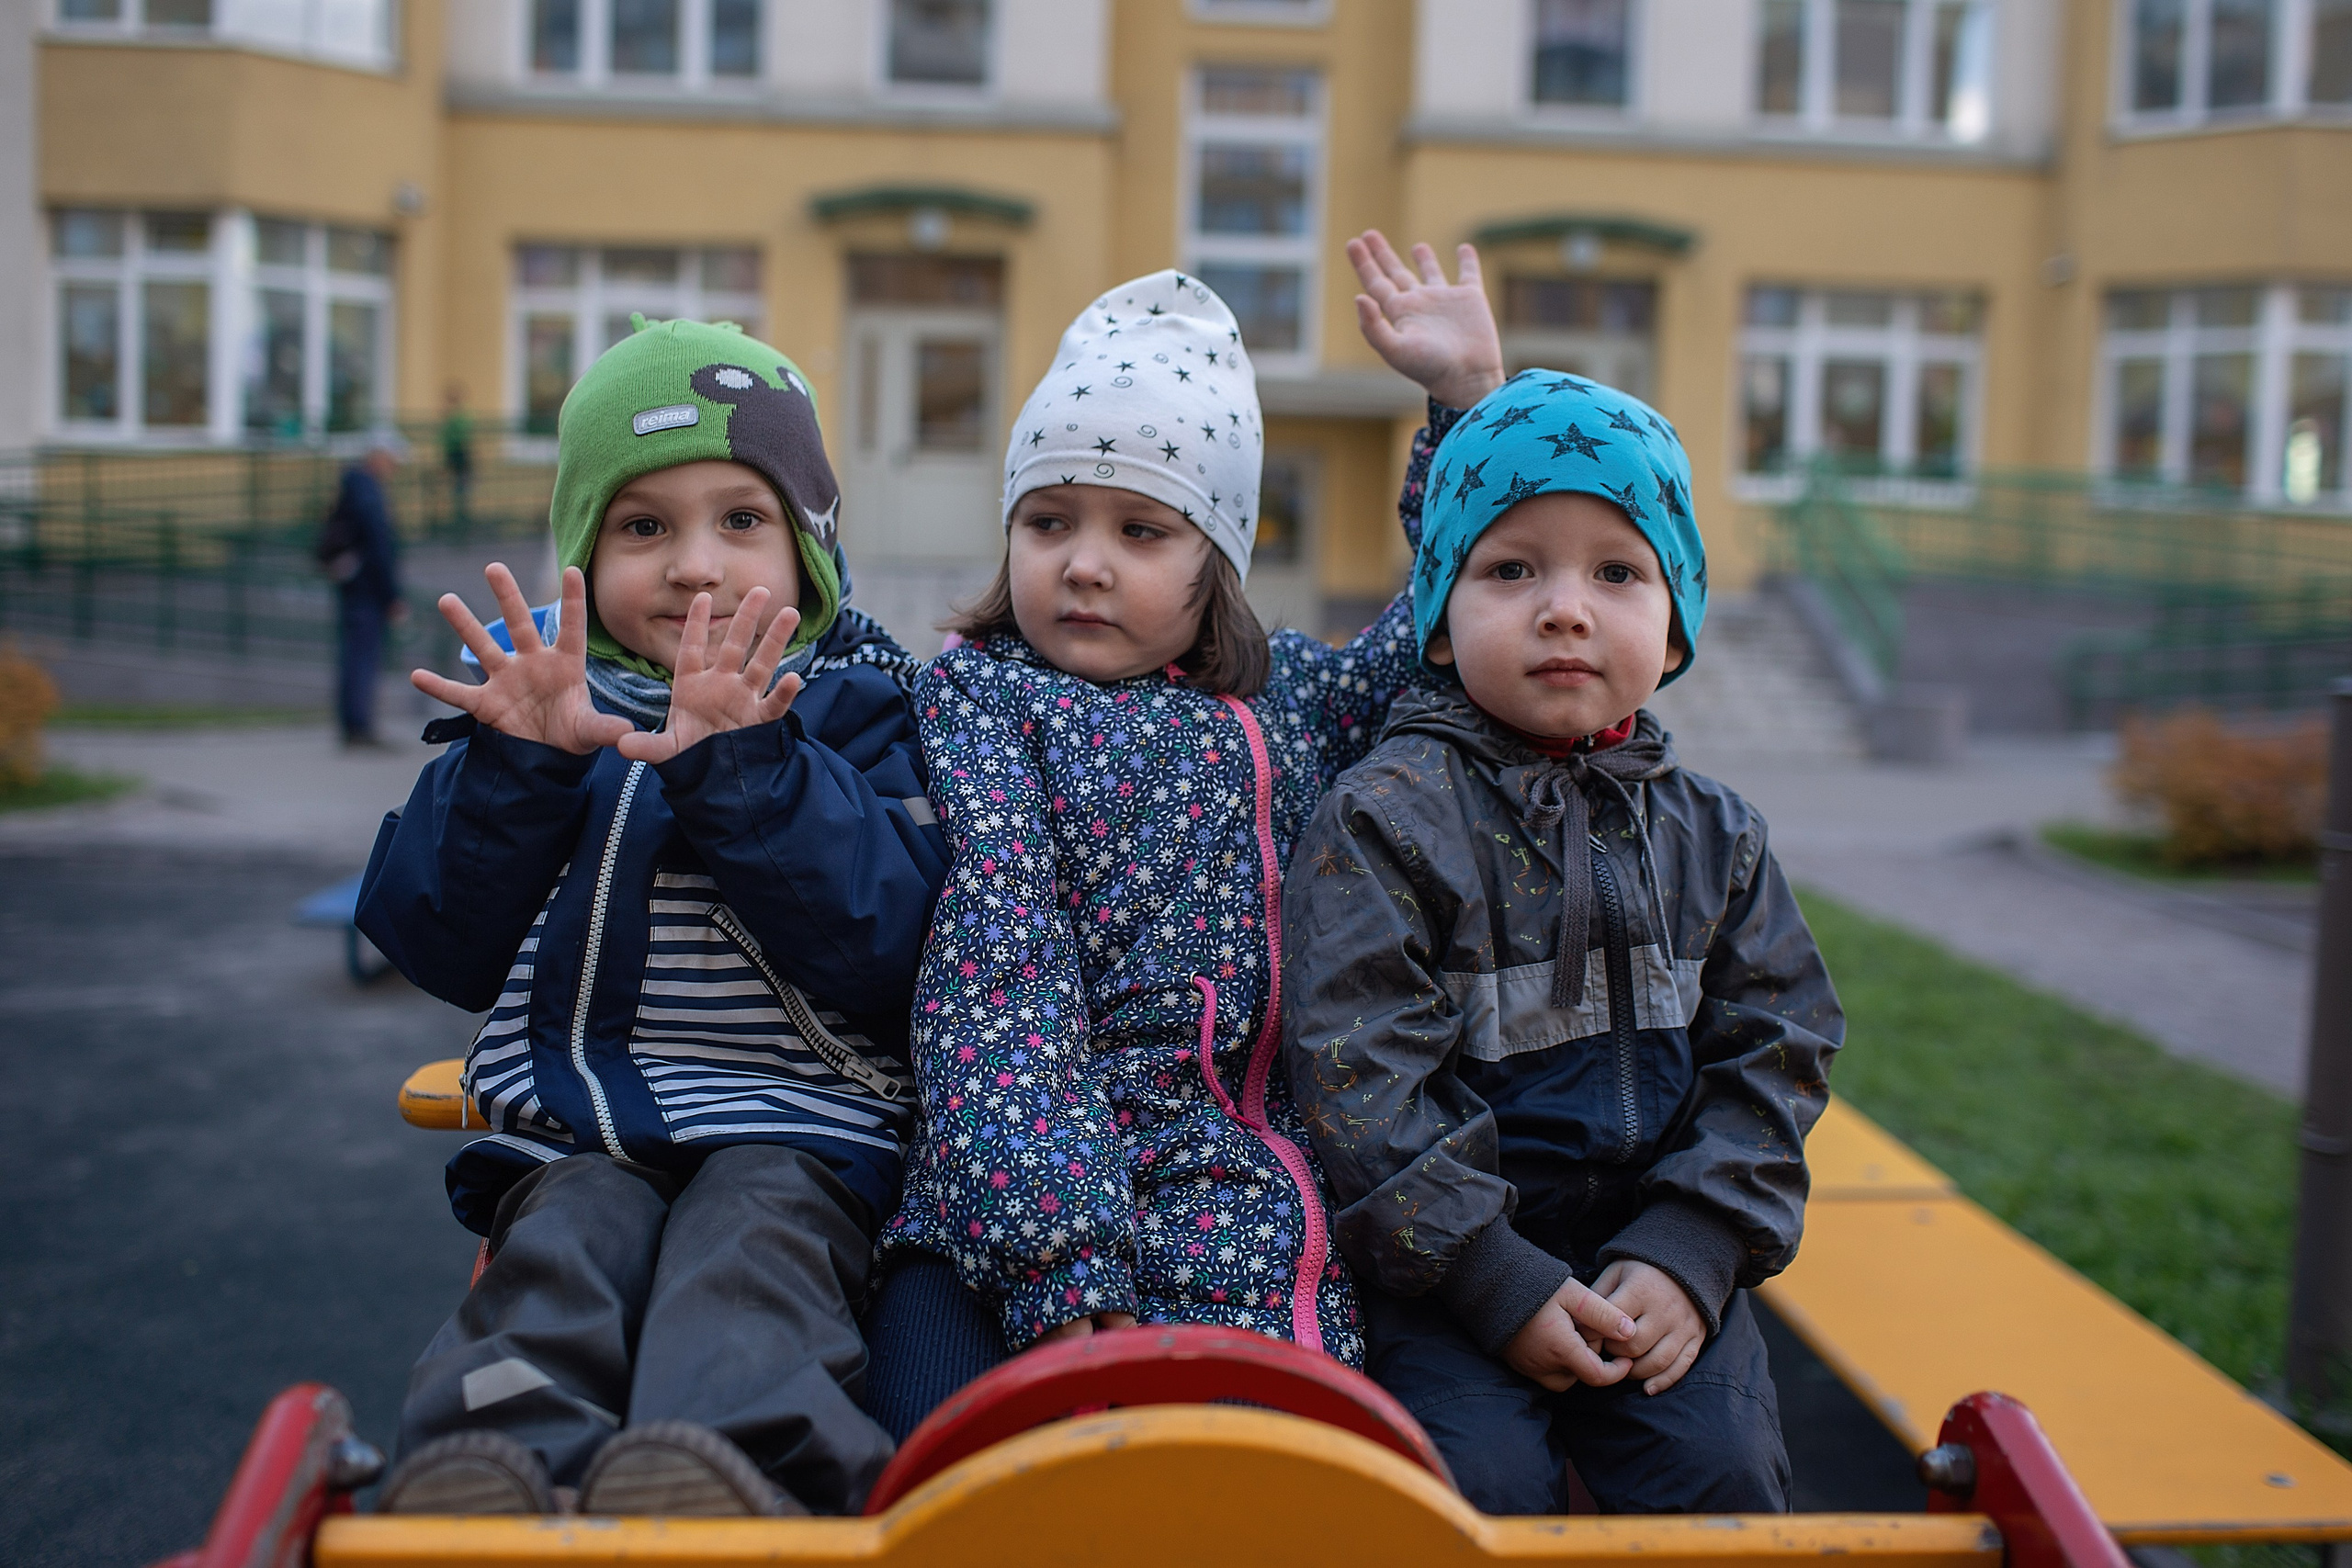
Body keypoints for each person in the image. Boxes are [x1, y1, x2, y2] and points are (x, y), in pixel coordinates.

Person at [857, 240, 1496, 1437]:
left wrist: (1464, 411)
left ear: (1220, 563)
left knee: (1283, 1466)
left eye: (1142, 530)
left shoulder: (1291, 704)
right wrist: (1059, 1252)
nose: (1084, 561)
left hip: (1255, 1190)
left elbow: (1448, 627)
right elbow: (1004, 964)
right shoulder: (987, 697)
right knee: (937, 1442)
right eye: (1048, 519)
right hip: (1021, 1184)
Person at [356, 318, 950, 1517]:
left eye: (741, 519)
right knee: (557, 1258)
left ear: (810, 550)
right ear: (583, 550)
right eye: (643, 526)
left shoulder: (856, 713)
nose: (694, 564)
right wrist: (508, 767)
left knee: (749, 1263)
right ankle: (485, 1463)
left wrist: (751, 765)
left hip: (795, 1126)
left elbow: (888, 944)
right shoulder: (546, 715)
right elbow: (432, 938)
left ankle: (739, 1464)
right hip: (579, 1132)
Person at [1278, 350, 1845, 1516]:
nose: (1565, 607)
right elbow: (1357, 1080)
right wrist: (1490, 1277)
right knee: (1469, 1490)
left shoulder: (1715, 837)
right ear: (1438, 620)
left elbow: (1777, 1049)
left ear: (1676, 623)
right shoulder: (1387, 820)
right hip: (1445, 1270)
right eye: (1511, 568)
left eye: (1618, 572)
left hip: (1660, 1252)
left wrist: (1696, 1248)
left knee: (1724, 1481)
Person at [329, 434, 407, 748]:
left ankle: (353, 723)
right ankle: (359, 726)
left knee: (353, 654)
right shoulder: (368, 493)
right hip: (367, 590)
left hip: (354, 585)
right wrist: (391, 596)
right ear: (379, 457)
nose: (394, 469)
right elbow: (379, 546)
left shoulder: (353, 489)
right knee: (363, 656)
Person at [440, 383, 476, 525]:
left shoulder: (459, 417)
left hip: (459, 455)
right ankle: (458, 518)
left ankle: (460, 519)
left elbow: (462, 438)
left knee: (461, 487)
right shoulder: (456, 417)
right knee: (458, 487)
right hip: (454, 455)